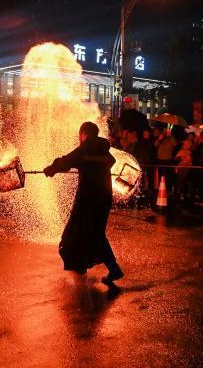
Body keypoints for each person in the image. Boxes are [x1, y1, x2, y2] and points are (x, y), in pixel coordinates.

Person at [44, 122, 123, 286]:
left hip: (88, 199)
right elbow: (102, 162)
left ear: (84, 133)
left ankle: (79, 271)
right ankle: (113, 268)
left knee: (71, 236)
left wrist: (51, 169)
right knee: (96, 233)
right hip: (104, 198)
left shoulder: (87, 147)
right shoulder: (103, 149)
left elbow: (68, 160)